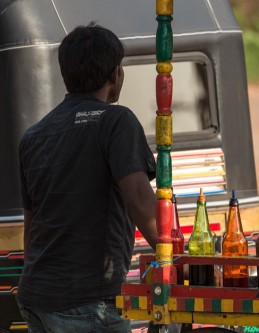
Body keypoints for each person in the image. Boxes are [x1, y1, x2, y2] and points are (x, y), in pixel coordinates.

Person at [17, 23, 157, 332]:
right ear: (114, 75)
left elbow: (31, 225)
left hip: (36, 296)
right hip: (86, 303)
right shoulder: (116, 120)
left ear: (66, 75)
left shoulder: (34, 135)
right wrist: (178, 256)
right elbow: (138, 198)